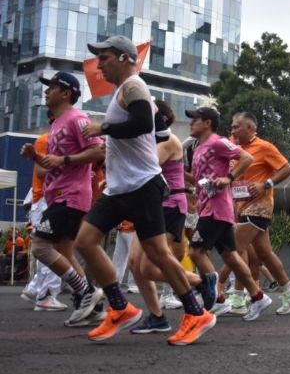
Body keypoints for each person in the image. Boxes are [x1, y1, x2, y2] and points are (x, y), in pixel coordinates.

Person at [77, 35, 214, 345]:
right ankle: (120, 307)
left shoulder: (133, 86)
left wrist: (104, 128)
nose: (99, 64)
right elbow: (155, 128)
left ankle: (196, 313)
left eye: (105, 58)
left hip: (142, 187)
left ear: (125, 58)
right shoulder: (121, 93)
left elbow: (141, 124)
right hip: (119, 189)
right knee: (85, 241)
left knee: (158, 256)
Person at [20, 71, 106, 327]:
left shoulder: (77, 119)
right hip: (58, 194)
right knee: (65, 252)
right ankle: (94, 308)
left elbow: (98, 151)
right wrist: (36, 158)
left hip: (70, 196)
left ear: (66, 93)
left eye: (53, 87)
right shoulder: (57, 124)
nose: (47, 91)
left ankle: (86, 293)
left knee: (40, 247)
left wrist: (64, 159)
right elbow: (50, 168)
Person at [182, 106, 273, 322]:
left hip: (216, 208)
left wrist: (229, 178)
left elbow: (247, 158)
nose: (191, 123)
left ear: (207, 123)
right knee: (230, 256)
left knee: (195, 251)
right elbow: (200, 181)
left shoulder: (217, 142)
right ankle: (258, 297)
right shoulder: (199, 148)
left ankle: (215, 299)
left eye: (195, 120)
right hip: (209, 206)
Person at [220, 112, 290, 316]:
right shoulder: (232, 147)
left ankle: (236, 296)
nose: (232, 131)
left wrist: (265, 184)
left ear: (250, 128)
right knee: (264, 253)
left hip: (259, 206)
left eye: (237, 127)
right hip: (241, 206)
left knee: (234, 248)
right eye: (232, 127)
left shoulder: (265, 147)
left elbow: (287, 169)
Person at [129, 100, 202, 333]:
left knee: (149, 268)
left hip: (169, 205)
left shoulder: (167, 140)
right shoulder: (148, 140)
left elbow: (145, 166)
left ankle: (201, 282)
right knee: (134, 264)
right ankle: (157, 316)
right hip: (151, 205)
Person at [20, 114, 66, 312]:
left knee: (49, 246)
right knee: (52, 248)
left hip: (47, 199)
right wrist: (69, 164)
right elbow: (41, 172)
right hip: (45, 199)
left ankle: (35, 288)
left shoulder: (52, 140)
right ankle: (46, 295)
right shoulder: (46, 140)